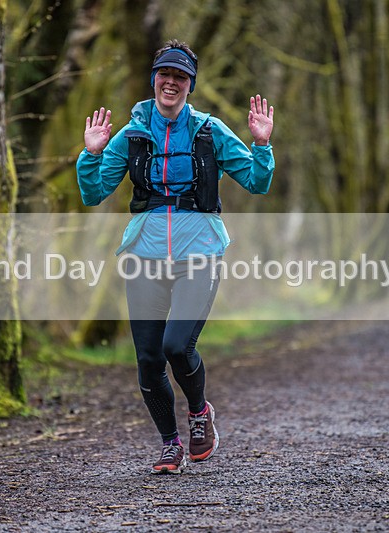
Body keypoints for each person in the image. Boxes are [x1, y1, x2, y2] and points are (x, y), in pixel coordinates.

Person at [76, 39, 275, 474]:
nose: (171, 82)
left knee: (175, 345)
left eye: (180, 76)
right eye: (165, 74)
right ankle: (170, 443)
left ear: (190, 85)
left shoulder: (210, 130)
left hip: (199, 249)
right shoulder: (130, 135)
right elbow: (92, 194)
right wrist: (90, 154)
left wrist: (261, 145)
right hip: (143, 252)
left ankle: (200, 413)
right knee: (148, 358)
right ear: (154, 80)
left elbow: (258, 183)